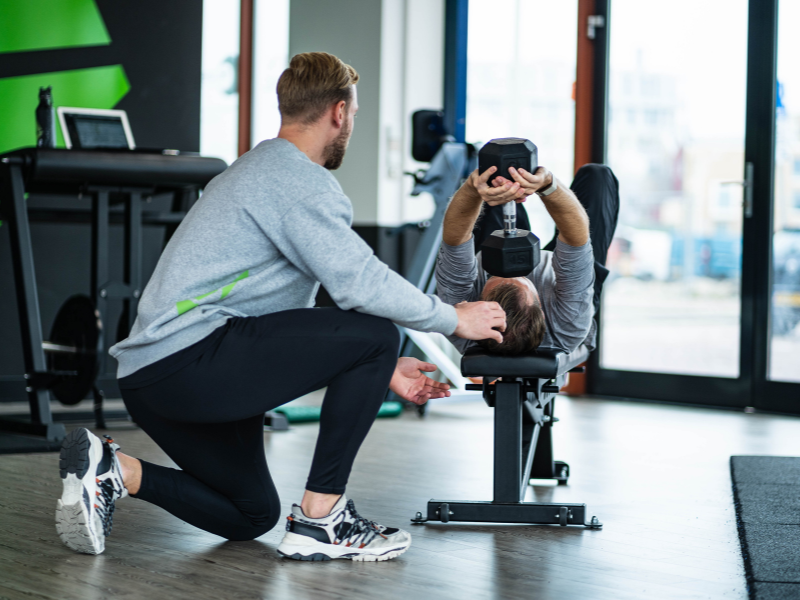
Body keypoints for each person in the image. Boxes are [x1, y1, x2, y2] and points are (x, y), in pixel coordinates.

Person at [54, 52, 507, 562]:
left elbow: (295, 326)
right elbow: (358, 282)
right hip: (191, 362)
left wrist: (375, 369)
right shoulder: (296, 178)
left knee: (250, 514)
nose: (350, 124)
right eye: (353, 115)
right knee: (376, 333)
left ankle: (115, 470)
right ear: (339, 112)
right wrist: (453, 317)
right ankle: (322, 519)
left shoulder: (253, 168)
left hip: (155, 380)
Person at [436, 160, 620, 356]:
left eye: (497, 277)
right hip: (568, 290)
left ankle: (504, 184)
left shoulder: (462, 314)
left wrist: (473, 189)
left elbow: (455, 239)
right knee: (597, 176)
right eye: (520, 277)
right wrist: (547, 185)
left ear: (479, 300)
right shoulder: (569, 320)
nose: (510, 267)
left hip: (490, 256)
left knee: (494, 185)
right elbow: (576, 238)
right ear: (541, 305)